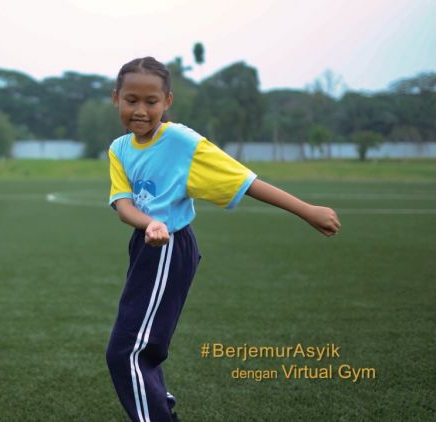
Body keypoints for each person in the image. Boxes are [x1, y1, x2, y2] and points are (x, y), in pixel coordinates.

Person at [105, 57, 341, 422]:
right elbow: (123, 206)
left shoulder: (182, 142)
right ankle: (157, 400)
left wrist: (305, 210)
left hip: (169, 249)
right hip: (146, 245)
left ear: (167, 101)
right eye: (131, 100)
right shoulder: (119, 148)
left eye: (150, 102)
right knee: (142, 344)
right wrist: (148, 223)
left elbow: (244, 181)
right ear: (115, 98)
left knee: (127, 352)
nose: (140, 110)